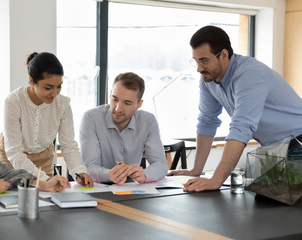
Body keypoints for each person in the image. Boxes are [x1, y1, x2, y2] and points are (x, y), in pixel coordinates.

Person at [168, 25, 302, 192]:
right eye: (196, 61)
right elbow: (207, 121)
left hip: (299, 142)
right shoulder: (208, 80)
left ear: (224, 55)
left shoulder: (250, 74)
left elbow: (241, 126)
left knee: (288, 210)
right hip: (275, 149)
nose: (199, 68)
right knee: (268, 206)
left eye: (204, 60)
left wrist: (216, 180)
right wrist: (196, 171)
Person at [0, 52, 93, 187]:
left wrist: (79, 172)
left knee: (47, 200)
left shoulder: (63, 104)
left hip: (43, 157)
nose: (54, 93)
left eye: (59, 86)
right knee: (13, 198)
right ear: (31, 80)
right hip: (12, 158)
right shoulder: (13, 102)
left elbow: (69, 145)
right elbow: (14, 151)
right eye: (48, 87)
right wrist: (43, 180)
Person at [80, 72, 168, 184]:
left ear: (139, 104)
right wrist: (109, 175)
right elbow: (89, 167)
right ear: (110, 94)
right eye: (115, 99)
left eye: (127, 103)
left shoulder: (148, 121)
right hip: (98, 189)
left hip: (132, 190)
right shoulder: (91, 118)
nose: (118, 108)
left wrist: (145, 174)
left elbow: (161, 164)